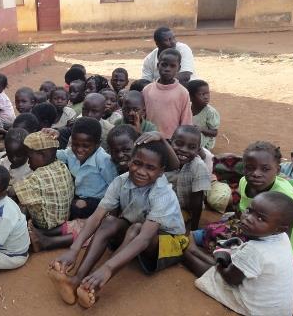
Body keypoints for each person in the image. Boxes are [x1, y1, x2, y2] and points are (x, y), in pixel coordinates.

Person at [48, 140, 187, 308]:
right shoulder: (121, 181)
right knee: (108, 221)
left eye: (150, 168)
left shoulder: (162, 193)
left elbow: (144, 238)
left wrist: (107, 267)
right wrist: (73, 249)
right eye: (137, 163)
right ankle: (76, 281)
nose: (141, 171)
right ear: (130, 161)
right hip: (137, 232)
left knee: (136, 229)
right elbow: (96, 216)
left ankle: (94, 288)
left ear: (161, 172)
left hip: (168, 244)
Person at [196, 141, 293, 266]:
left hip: (285, 245)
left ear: (278, 170)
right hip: (257, 229)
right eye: (250, 168)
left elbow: (285, 234)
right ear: (243, 168)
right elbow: (241, 209)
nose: (256, 173)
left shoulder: (284, 195)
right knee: (213, 232)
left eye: (265, 169)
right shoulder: (244, 182)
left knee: (237, 257)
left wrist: (280, 259)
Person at [186, 191, 293, 316]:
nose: (248, 218)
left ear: (280, 229)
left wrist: (220, 264)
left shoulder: (255, 250)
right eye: (249, 210)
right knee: (226, 260)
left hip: (257, 310)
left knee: (213, 275)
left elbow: (231, 279)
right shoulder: (282, 238)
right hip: (278, 310)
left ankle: (187, 252)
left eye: (260, 218)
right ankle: (195, 251)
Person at [55, 117, 118, 219]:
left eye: (85, 146)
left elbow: (114, 185)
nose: (79, 150)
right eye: (75, 144)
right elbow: (54, 154)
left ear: (98, 144)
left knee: (77, 206)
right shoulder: (70, 153)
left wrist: (113, 211)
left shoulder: (104, 160)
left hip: (98, 200)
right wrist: (50, 137)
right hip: (78, 195)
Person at [11, 131, 74, 232]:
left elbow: (12, 192)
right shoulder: (62, 166)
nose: (28, 162)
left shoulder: (37, 178)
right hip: (63, 222)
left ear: (42, 155)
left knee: (15, 203)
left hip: (45, 227)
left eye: (30, 157)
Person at [165, 126, 211, 231]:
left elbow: (197, 202)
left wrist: (193, 229)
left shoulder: (198, 166)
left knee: (171, 227)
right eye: (179, 144)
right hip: (164, 205)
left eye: (191, 147)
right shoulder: (163, 160)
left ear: (198, 150)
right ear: (170, 142)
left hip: (186, 209)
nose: (184, 150)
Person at [142, 48, 193, 138]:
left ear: (179, 68)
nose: (167, 69)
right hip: (148, 138)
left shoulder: (183, 92)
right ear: (158, 66)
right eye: (164, 65)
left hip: (171, 140)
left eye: (172, 66)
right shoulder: (147, 90)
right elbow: (142, 115)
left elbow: (186, 121)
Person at [187, 80, 220, 150]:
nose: (206, 97)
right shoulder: (186, 108)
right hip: (190, 138)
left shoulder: (210, 112)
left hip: (204, 144)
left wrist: (201, 129)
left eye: (207, 93)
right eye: (202, 94)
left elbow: (214, 133)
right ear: (190, 97)